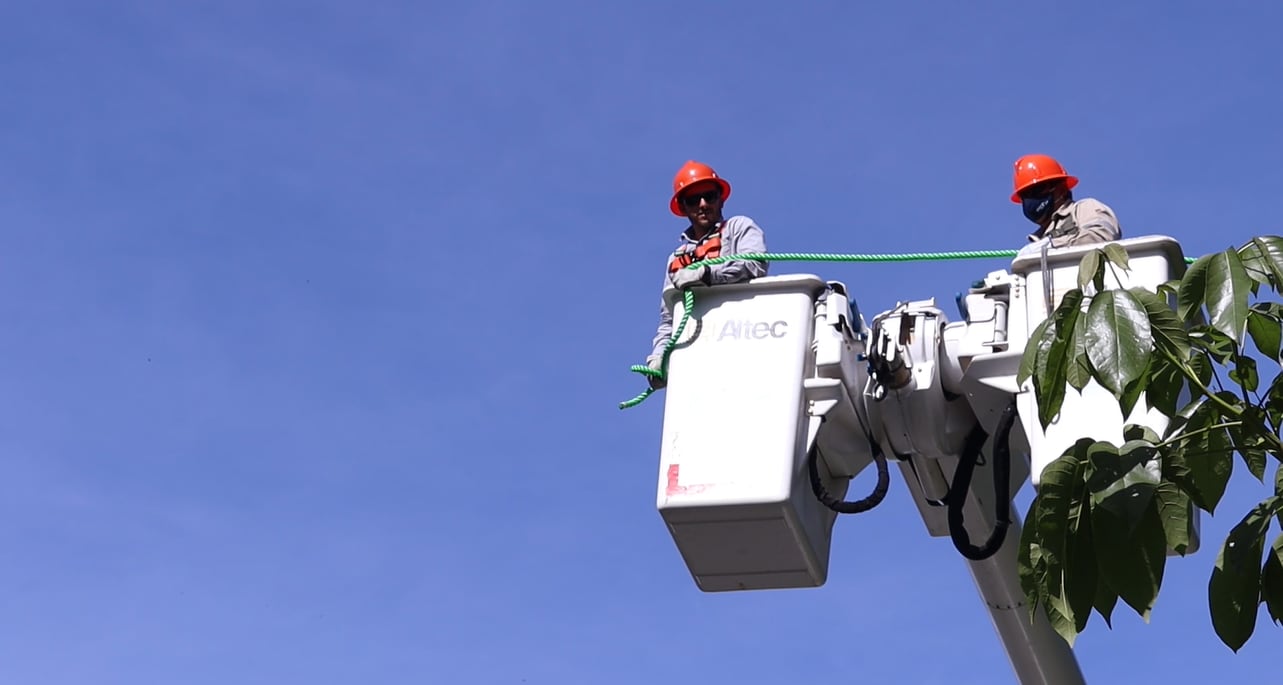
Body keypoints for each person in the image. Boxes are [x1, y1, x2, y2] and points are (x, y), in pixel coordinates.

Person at [645, 161, 767, 390]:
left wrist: (707, 274)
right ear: (683, 207)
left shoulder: (738, 228)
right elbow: (669, 318)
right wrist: (659, 356)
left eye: (709, 196)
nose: (702, 204)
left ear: (720, 198)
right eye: (693, 200)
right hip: (696, 348)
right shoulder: (677, 259)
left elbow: (755, 265)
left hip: (744, 334)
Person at [1011, 154, 1121, 255]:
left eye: (1038, 190)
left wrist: (1052, 245)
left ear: (1061, 188)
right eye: (1025, 195)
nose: (1031, 199)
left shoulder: (1084, 208)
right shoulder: (1036, 241)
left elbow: (1101, 237)